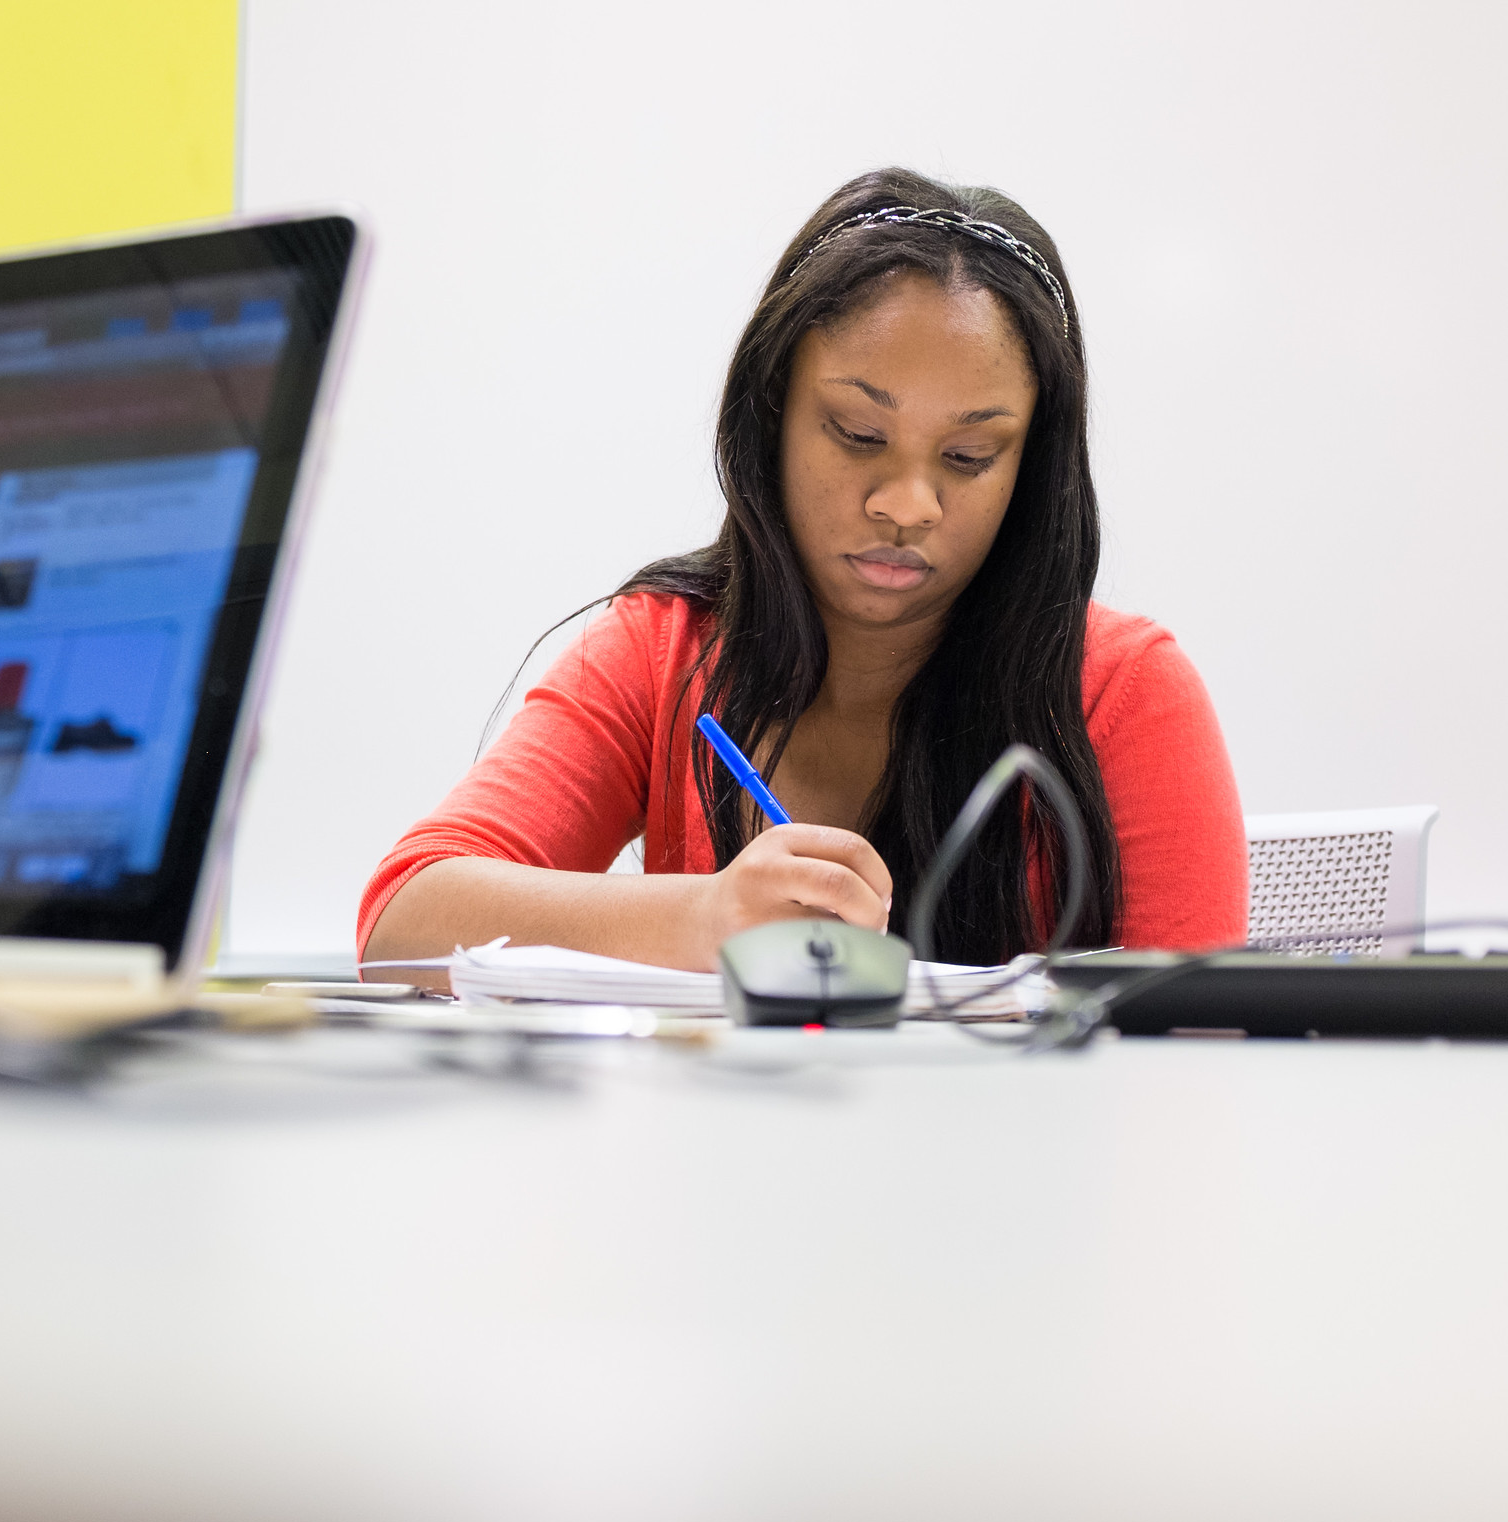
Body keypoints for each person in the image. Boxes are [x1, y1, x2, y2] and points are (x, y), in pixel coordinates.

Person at [360, 167, 1247, 974]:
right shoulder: (661, 652)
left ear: (1032, 466)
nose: (908, 504)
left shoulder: (1125, 692)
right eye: (858, 435)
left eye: (971, 455)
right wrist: (699, 918)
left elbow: (1194, 1069)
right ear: (772, 411)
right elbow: (400, 922)